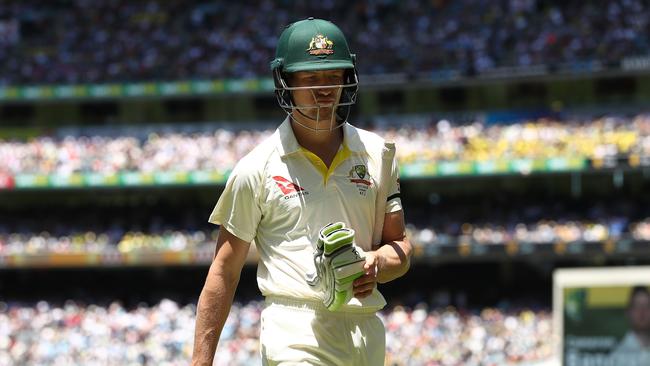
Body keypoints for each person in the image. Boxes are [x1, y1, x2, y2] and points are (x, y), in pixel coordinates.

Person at [191, 18, 411, 366]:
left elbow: (400, 246)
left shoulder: (379, 154)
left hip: (365, 332)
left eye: (332, 77)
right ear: (285, 83)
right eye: (310, 79)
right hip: (295, 331)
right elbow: (224, 270)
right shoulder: (256, 168)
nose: (324, 90)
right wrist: (200, 362)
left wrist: (376, 263)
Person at [609, 286, 650, 365]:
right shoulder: (617, 356)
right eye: (637, 306)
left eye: (647, 306)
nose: (642, 312)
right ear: (628, 312)